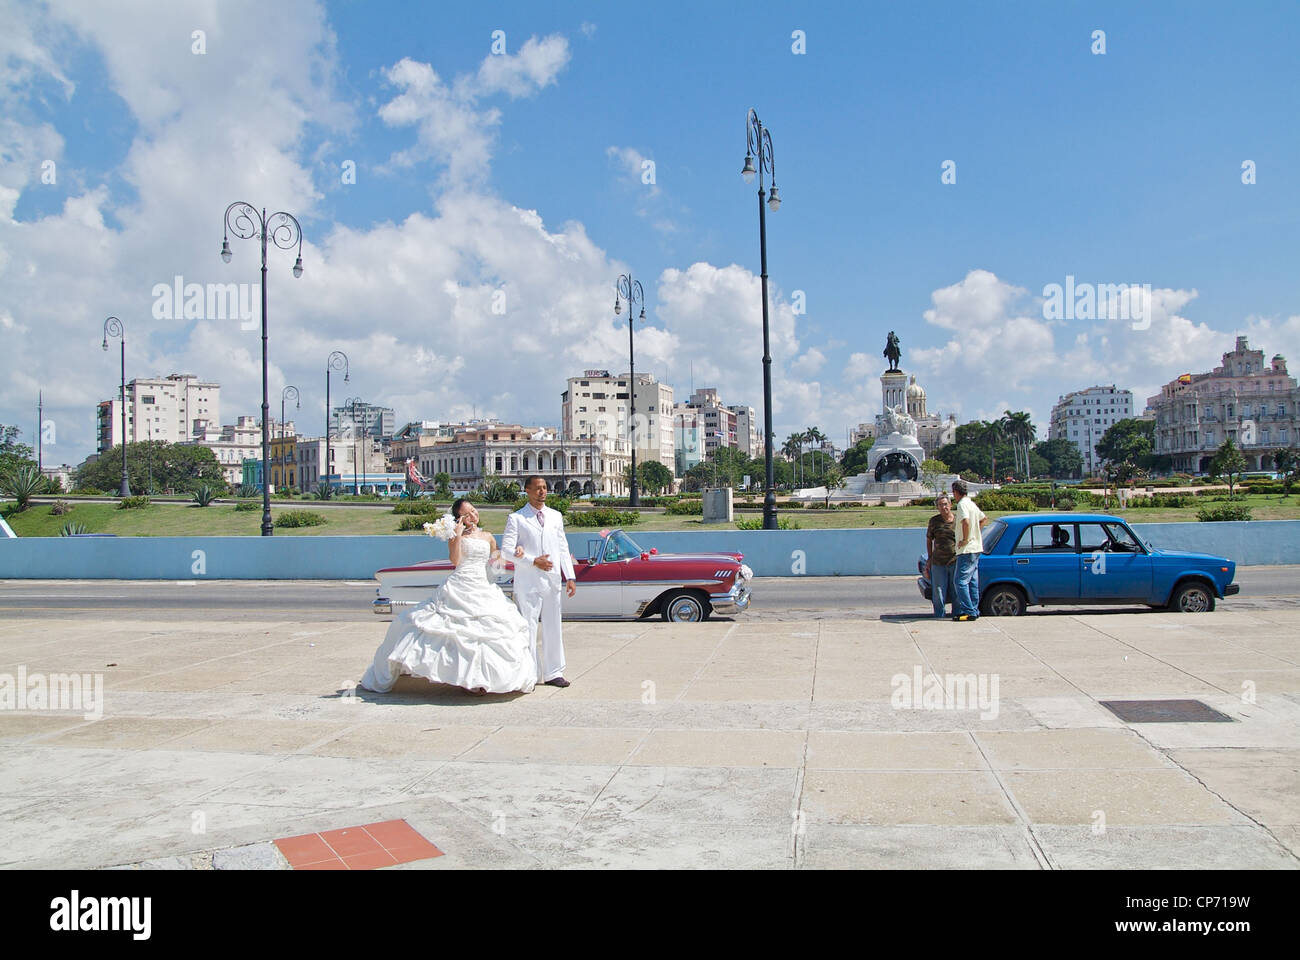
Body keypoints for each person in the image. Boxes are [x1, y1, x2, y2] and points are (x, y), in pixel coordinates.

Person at [359, 498, 536, 695]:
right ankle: (465, 681)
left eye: (474, 511)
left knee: (488, 632)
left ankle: (481, 679)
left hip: (482, 584)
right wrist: (458, 536)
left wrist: (516, 552)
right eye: (466, 514)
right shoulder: (455, 535)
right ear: (460, 518)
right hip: (460, 583)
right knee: (454, 632)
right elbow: (455, 560)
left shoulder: (488, 536)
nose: (473, 515)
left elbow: (497, 562)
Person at [501, 476, 577, 687]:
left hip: (552, 580)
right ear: (527, 490)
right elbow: (506, 550)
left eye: (544, 488)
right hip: (528, 581)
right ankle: (530, 673)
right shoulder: (516, 518)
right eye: (537, 488)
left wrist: (569, 576)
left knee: (554, 625)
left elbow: (562, 547)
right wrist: (532, 561)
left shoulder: (555, 516)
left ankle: (554, 672)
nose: (542, 491)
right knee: (529, 626)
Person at [950, 479, 988, 622]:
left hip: (966, 549)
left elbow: (965, 521)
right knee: (972, 580)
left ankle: (968, 610)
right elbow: (983, 519)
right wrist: (975, 533)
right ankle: (974, 609)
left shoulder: (962, 505)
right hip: (976, 547)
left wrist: (966, 539)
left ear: (956, 492)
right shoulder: (972, 504)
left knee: (959, 581)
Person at [925, 493, 958, 618]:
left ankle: (957, 614)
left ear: (950, 505)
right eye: (940, 505)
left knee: (956, 591)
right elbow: (929, 540)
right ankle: (939, 616)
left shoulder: (958, 520)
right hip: (938, 562)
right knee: (938, 593)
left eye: (945, 504)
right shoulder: (934, 521)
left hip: (954, 561)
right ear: (937, 507)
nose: (943, 507)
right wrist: (929, 558)